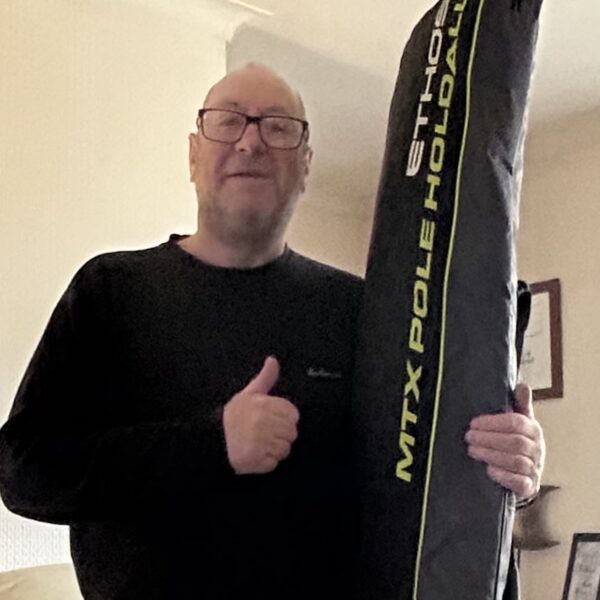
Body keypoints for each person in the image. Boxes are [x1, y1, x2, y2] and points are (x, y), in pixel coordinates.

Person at [0, 63, 545, 599]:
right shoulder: (110, 290)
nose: (251, 142)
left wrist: (506, 468)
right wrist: (212, 444)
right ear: (193, 154)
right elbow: (23, 471)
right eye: (228, 121)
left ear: (305, 165)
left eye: (279, 127)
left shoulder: (360, 310)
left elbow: (412, 479)